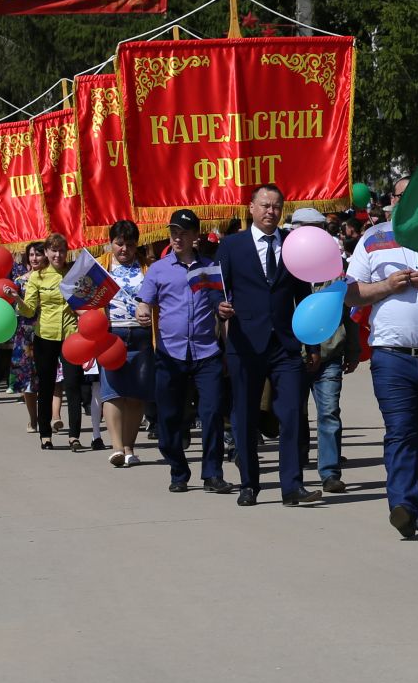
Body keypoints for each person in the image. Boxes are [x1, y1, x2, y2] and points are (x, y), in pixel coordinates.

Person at [346, 178, 418, 538]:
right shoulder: (373, 239)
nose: (406, 201)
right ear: (390, 200)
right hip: (393, 357)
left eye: (414, 194)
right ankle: (402, 505)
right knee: (402, 431)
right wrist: (387, 287)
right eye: (400, 196)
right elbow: (350, 292)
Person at [216, 183, 320, 508]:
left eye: (276, 206)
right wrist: (219, 307)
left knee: (291, 413)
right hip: (245, 344)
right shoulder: (231, 246)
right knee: (245, 416)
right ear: (251, 208)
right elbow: (216, 289)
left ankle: (292, 486)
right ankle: (249, 483)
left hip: (285, 345)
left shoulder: (292, 246)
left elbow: (304, 297)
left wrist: (312, 344)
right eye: (264, 205)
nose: (270, 212)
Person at [134, 209, 229, 494]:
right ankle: (178, 470)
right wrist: (142, 310)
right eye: (174, 232)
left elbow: (219, 302)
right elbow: (144, 301)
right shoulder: (159, 269)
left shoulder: (210, 267)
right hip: (170, 353)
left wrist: (223, 313)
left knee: (211, 413)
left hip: (206, 352)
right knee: (169, 416)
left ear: (195, 236)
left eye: (184, 233)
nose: (177, 237)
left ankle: (212, 473)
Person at [287, 206, 357, 493]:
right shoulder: (285, 268)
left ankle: (329, 472)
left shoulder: (337, 267)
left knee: (329, 413)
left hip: (329, 353)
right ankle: (294, 469)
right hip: (293, 355)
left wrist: (352, 349)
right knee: (294, 414)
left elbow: (347, 308)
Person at [8, 238, 76, 450]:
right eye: (53, 251)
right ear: (47, 252)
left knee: (72, 385)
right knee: (45, 387)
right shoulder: (37, 277)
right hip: (45, 336)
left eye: (61, 251)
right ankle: (45, 434)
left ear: (67, 252)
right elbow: (29, 310)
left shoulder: (75, 272)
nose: (58, 255)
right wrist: (17, 298)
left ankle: (74, 435)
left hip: (71, 335)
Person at [101, 219, 152, 467]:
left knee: (136, 395)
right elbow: (79, 298)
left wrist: (149, 311)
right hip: (111, 334)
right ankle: (117, 447)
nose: (124, 249)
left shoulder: (148, 267)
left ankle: (130, 446)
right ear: (111, 243)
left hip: (141, 336)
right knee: (112, 391)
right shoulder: (100, 267)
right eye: (119, 244)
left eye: (129, 245)